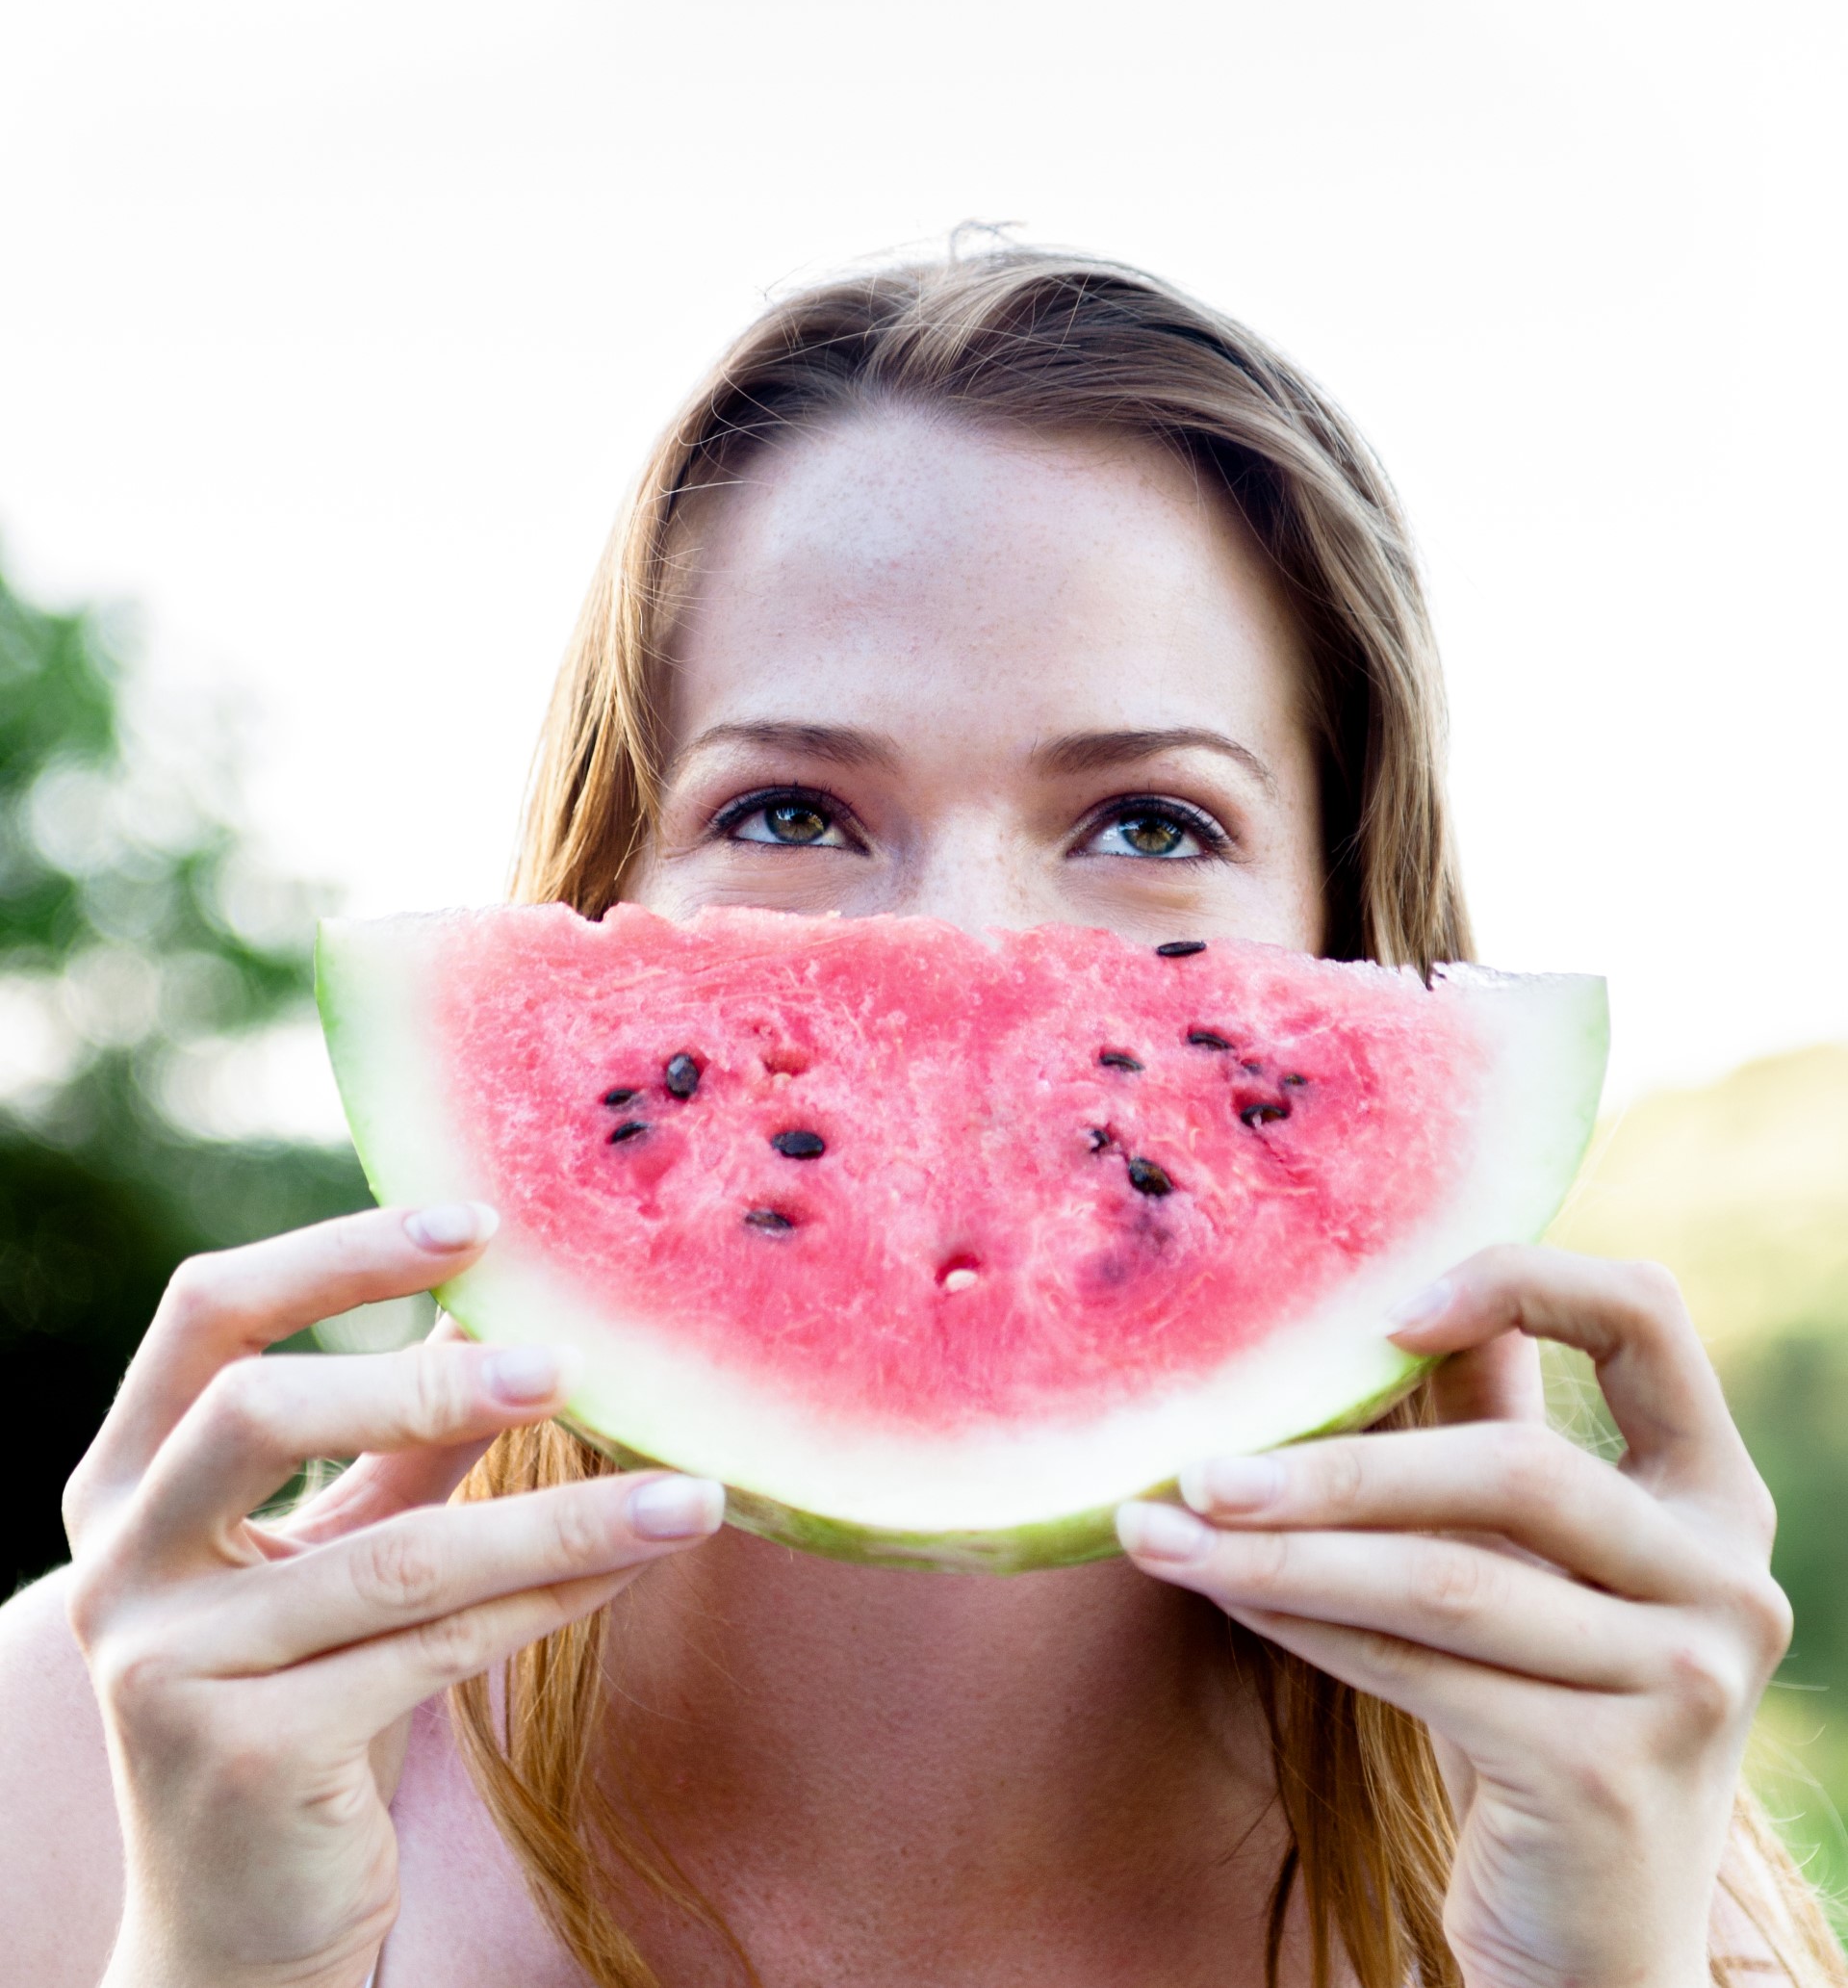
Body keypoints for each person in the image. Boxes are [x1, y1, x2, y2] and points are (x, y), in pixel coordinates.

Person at [0, 247, 1836, 1988]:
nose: (962, 956)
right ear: (597, 879)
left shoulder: (1621, 1863)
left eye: (1152, 826)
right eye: (791, 813)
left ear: (1353, 935)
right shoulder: (95, 1759)